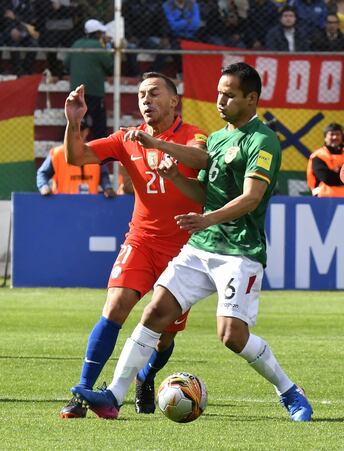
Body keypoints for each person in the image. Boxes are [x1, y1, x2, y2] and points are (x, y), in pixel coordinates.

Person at [72, 62, 314, 422]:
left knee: (232, 336)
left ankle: (290, 392)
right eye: (218, 93)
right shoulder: (218, 138)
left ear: (252, 98)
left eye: (229, 95)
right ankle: (113, 395)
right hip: (202, 245)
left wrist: (206, 217)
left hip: (240, 251)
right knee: (155, 313)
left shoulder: (262, 141)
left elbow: (251, 198)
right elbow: (203, 190)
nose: (220, 100)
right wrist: (176, 179)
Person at [60, 71, 208, 418]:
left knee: (163, 336)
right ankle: (83, 394)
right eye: (141, 94)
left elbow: (199, 158)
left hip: (183, 250)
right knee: (115, 307)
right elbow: (76, 157)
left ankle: (146, 376)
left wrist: (157, 145)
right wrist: (73, 122)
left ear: (174, 101)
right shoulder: (127, 138)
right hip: (141, 240)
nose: (146, 99)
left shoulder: (193, 135)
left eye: (154, 93)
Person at [36, 117, 115, 197]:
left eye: (80, 131)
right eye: (73, 131)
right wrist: (44, 187)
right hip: (63, 204)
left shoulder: (95, 153)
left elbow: (103, 175)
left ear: (86, 132)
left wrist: (107, 187)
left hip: (90, 204)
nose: (76, 134)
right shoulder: (57, 154)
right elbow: (43, 173)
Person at [64, 18, 113, 139]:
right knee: (99, 126)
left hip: (76, 91)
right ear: (97, 34)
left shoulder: (76, 44)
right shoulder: (99, 46)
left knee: (77, 122)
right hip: (94, 91)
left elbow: (66, 64)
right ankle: (99, 152)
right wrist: (108, 47)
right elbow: (110, 66)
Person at [307, 122, 344, 197]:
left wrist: (336, 172)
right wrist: (340, 174)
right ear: (325, 137)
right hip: (324, 199)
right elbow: (326, 178)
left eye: (337, 134)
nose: (335, 137)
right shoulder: (318, 155)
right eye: (331, 134)